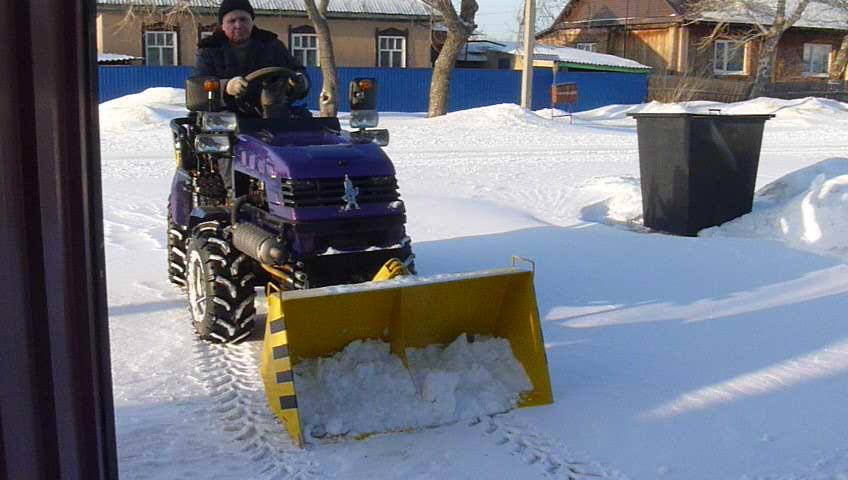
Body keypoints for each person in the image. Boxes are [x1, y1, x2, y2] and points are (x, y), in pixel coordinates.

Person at [194, 0, 309, 110]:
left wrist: (299, 81)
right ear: (222, 26)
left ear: (252, 22)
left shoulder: (271, 44)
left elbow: (297, 72)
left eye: (243, 19)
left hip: (270, 114)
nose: (238, 25)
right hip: (224, 118)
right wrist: (226, 87)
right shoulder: (209, 49)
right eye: (232, 21)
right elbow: (199, 87)